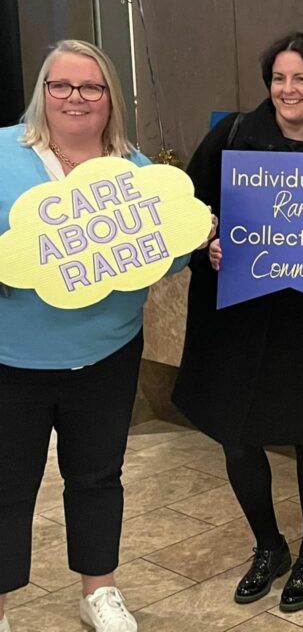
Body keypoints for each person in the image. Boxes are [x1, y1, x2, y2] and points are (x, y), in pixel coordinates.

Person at [0, 40, 203, 632]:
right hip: (14, 358)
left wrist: (188, 241)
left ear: (111, 97)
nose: (75, 98)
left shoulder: (137, 174)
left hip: (106, 353)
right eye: (60, 86)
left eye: (91, 87)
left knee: (96, 476)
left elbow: (156, 264)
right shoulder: (4, 156)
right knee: (8, 485)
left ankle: (99, 590)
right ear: (42, 93)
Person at [173, 32, 303, 613]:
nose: (288, 90)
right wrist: (205, 248)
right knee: (238, 434)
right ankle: (269, 546)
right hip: (237, 315)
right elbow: (186, 214)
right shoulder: (233, 137)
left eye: (301, 79)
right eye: (279, 78)